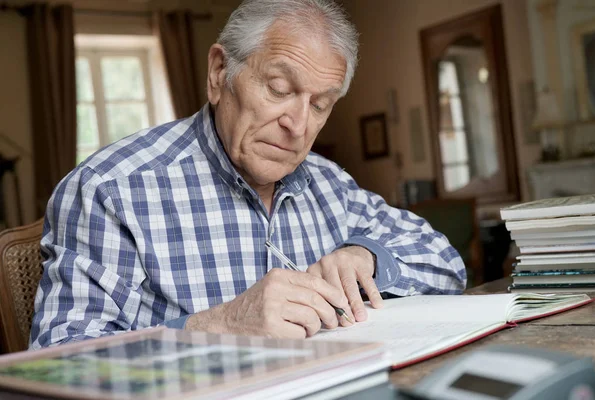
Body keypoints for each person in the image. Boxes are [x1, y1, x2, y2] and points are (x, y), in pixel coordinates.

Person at [30, 0, 466, 350]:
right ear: (220, 73)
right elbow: (63, 360)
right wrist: (222, 326)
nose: (297, 125)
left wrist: (365, 256)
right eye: (279, 89)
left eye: (319, 105)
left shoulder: (329, 183)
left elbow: (446, 263)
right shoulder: (110, 190)